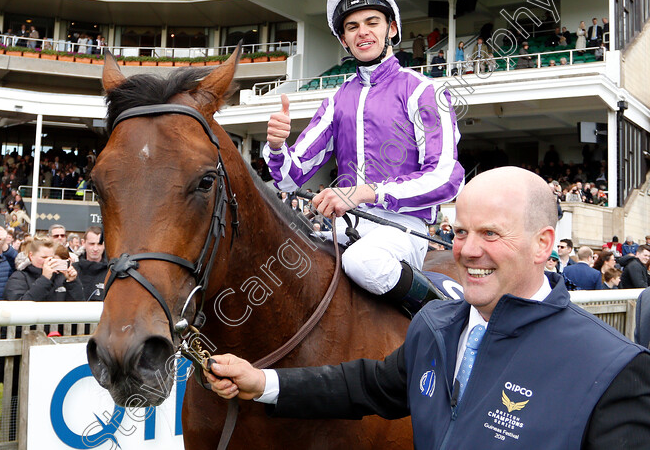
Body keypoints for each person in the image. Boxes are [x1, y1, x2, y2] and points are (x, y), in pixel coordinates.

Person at [205, 167, 650, 449]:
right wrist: (262, 381)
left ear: (543, 244)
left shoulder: (613, 369)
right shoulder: (436, 325)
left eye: (491, 234)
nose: (468, 251)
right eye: (460, 232)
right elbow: (368, 385)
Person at [263, 0, 464, 316]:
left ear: (392, 29)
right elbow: (288, 179)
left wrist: (365, 192)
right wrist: (277, 146)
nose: (363, 32)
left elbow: (446, 177)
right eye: (352, 27)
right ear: (344, 39)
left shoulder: (424, 91)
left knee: (363, 261)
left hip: (403, 228)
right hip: (345, 226)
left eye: (373, 22)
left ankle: (443, 319)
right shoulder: (336, 100)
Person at [4, 238, 82, 301]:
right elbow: (19, 307)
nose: (48, 261)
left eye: (51, 257)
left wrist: (72, 282)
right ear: (31, 256)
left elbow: (78, 306)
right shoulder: (19, 277)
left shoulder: (61, 276)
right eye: (43, 257)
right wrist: (45, 279)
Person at [75, 227, 106, 301]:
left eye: (99, 244)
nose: (95, 249)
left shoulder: (110, 272)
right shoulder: (73, 270)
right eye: (92, 244)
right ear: (83, 243)